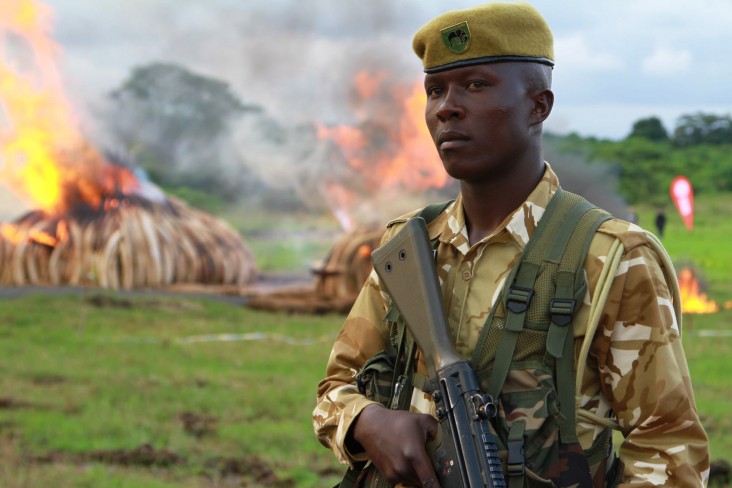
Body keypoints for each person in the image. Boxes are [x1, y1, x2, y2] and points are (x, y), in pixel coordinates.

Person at [313, 3, 709, 487]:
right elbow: (336, 388)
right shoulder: (410, 244)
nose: (446, 107)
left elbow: (669, 450)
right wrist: (366, 422)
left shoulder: (612, 259)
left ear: (538, 105)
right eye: (435, 91)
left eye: (476, 85)